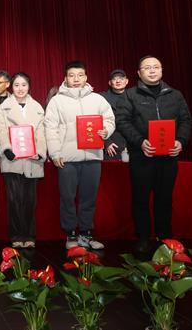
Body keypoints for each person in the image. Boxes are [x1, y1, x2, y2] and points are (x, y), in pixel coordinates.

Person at [115, 55, 192, 254]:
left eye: (156, 67)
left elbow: (186, 120)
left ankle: (164, 237)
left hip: (168, 156)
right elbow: (122, 121)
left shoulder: (175, 95)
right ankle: (142, 238)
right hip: (142, 156)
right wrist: (140, 141)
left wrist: (180, 141)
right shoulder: (129, 95)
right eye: (147, 67)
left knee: (164, 199)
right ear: (139, 73)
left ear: (161, 70)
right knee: (140, 199)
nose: (152, 70)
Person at [44, 61, 115, 250]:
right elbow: (50, 128)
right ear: (65, 78)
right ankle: (71, 234)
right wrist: (55, 152)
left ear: (86, 77)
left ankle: (86, 234)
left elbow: (109, 119)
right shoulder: (57, 101)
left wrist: (106, 130)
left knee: (89, 198)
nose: (76, 79)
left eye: (80, 75)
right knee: (67, 197)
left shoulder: (97, 99)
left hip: (93, 157)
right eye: (72, 75)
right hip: (67, 158)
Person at [0, 72, 46, 248]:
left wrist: (39, 152)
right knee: (14, 200)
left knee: (30, 201)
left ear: (29, 86)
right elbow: (1, 130)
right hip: (12, 160)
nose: (20, 88)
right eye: (16, 85)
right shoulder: (3, 107)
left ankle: (30, 236)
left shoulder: (38, 108)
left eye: (24, 85)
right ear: (11, 87)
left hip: (32, 160)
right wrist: (6, 149)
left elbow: (41, 133)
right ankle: (16, 235)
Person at [100, 69, 129, 160]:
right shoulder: (102, 98)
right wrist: (106, 142)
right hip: (112, 144)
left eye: (121, 78)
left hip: (131, 143)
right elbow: (97, 121)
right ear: (110, 82)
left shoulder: (133, 96)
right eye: (114, 79)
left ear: (126, 81)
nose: (118, 81)